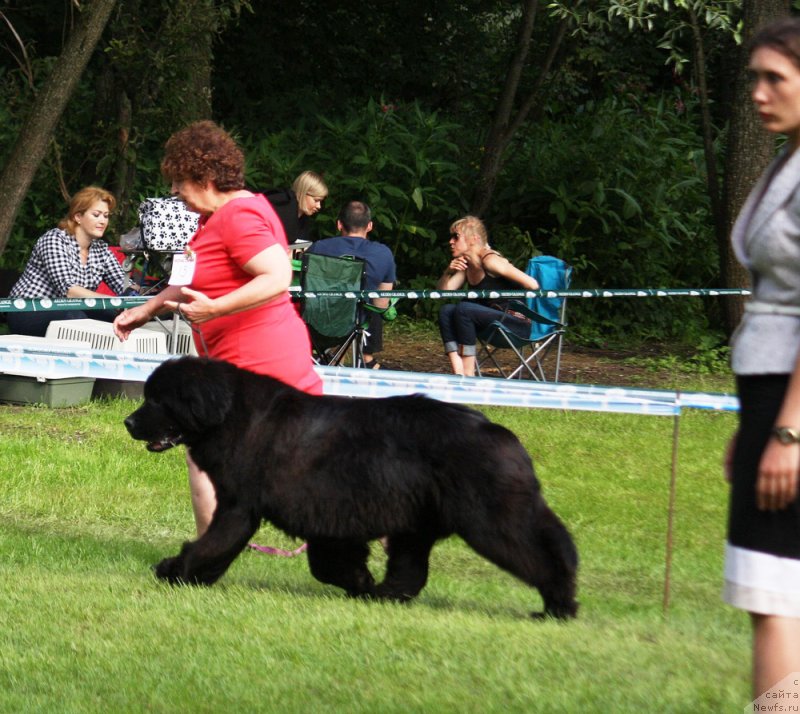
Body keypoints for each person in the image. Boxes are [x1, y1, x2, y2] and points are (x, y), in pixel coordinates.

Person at [114, 119, 322, 537]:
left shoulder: (239, 217)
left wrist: (215, 309)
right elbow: (191, 281)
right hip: (245, 362)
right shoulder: (221, 217)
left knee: (214, 452)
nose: (174, 192)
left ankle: (210, 553)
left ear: (205, 177)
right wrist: (148, 309)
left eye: (178, 182)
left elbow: (278, 276)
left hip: (259, 362)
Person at [723, 17, 800, 702]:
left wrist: (788, 432)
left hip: (791, 407)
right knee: (777, 589)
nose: (758, 92)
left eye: (775, 78)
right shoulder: (788, 163)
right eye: (754, 77)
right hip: (769, 400)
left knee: (771, 587)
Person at [7, 186, 132, 337]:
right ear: (78, 217)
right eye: (96, 215)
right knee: (78, 321)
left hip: (70, 309)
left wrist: (139, 297)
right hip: (28, 310)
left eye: (106, 216)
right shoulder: (55, 239)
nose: (103, 221)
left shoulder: (101, 250)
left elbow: (124, 287)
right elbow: (69, 291)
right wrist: (116, 302)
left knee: (120, 319)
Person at [436, 215, 539, 377]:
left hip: (514, 325)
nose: (451, 241)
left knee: (464, 308)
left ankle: (468, 376)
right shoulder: (466, 265)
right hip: (488, 323)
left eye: (456, 237)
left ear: (474, 239)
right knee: (447, 310)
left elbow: (532, 284)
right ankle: (458, 372)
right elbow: (443, 293)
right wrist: (448, 272)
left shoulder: (491, 260)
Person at [307, 200, 396, 368]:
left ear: (339, 224)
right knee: (370, 302)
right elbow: (381, 304)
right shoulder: (383, 254)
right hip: (352, 326)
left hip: (314, 324)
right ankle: (364, 361)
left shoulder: (318, 248)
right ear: (369, 226)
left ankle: (324, 360)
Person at [262, 170, 329, 244]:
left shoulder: (303, 218)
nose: (319, 206)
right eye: (316, 200)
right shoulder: (282, 207)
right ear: (304, 193)